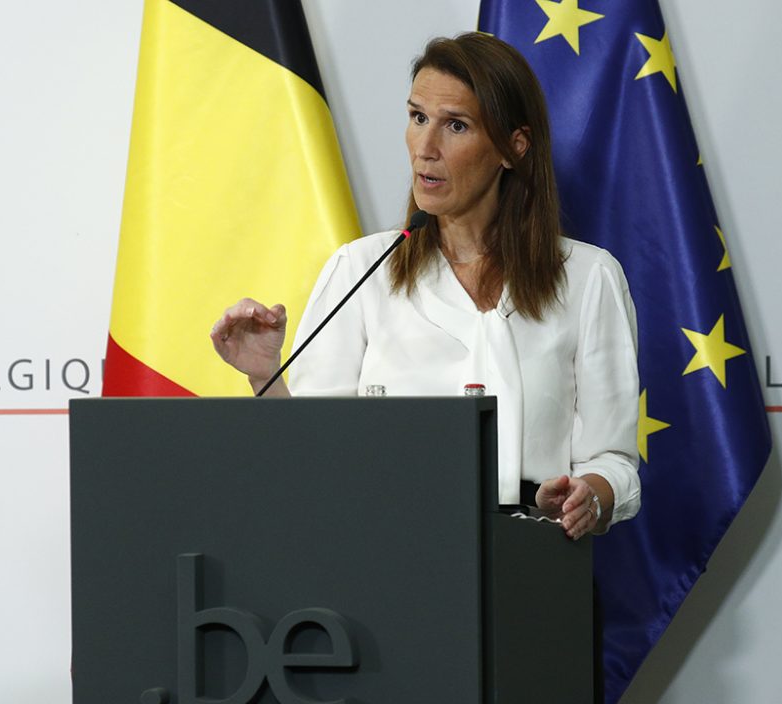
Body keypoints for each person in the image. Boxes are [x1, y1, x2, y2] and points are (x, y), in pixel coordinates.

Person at [210, 32, 640, 541]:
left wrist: (585, 493)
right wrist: (265, 375)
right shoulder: (360, 269)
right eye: (418, 118)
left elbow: (615, 461)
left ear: (513, 147)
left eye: (455, 126)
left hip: (534, 572)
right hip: (388, 567)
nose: (426, 149)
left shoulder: (589, 278)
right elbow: (312, 455)